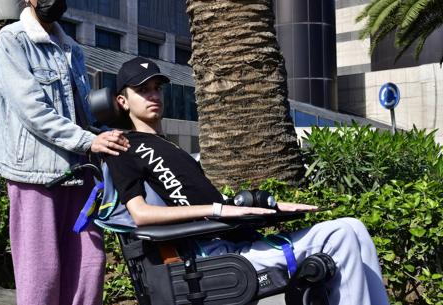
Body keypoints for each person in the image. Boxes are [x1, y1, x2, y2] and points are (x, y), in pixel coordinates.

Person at [103, 57, 390, 305]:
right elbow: (141, 214)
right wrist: (218, 210)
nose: (153, 96)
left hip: (235, 240)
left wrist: (270, 208)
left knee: (354, 226)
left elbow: (204, 201)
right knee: (340, 235)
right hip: (215, 255)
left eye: (157, 88)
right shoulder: (123, 146)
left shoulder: (172, 148)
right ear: (122, 101)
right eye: (142, 90)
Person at [0, 0, 129, 305]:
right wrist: (88, 142)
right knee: (42, 276)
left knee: (88, 268)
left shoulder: (72, 50)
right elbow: (32, 110)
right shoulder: (12, 41)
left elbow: (81, 114)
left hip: (78, 173)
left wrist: (110, 128)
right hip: (34, 175)